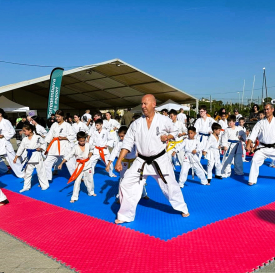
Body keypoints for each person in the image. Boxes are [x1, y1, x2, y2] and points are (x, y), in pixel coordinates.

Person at [114, 94, 190, 224]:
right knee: (126, 183)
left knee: (170, 186)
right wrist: (119, 160)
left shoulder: (163, 120)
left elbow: (176, 131)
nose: (143, 106)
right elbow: (127, 143)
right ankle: (125, 215)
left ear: (154, 104)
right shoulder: (136, 124)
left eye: (145, 103)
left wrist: (167, 137)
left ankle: (182, 207)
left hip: (160, 160)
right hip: (141, 161)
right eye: (142, 104)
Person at [246, 103, 275, 186]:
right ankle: (252, 179)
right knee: (254, 160)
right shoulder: (260, 123)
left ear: (272, 110)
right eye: (265, 109)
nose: (266, 111)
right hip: (262, 147)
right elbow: (253, 134)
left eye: (268, 109)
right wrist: (248, 144)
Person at [106, 126, 148, 201]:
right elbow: (113, 153)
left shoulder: (135, 142)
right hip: (124, 162)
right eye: (119, 136)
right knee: (122, 179)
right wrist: (109, 165)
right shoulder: (119, 143)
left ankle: (143, 193)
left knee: (139, 179)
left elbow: (142, 150)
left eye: (122, 136)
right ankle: (120, 196)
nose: (121, 138)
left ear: (127, 134)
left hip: (134, 162)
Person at [0, 108, 24, 179]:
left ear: (0, 114)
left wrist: (4, 135)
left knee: (12, 159)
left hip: (5, 143)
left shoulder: (6, 122)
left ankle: (21, 173)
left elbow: (12, 131)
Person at [58, 131, 96, 203]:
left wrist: (90, 154)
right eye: (81, 141)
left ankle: (91, 192)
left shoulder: (88, 145)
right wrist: (61, 163)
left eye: (83, 140)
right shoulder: (75, 147)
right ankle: (74, 197)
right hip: (79, 166)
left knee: (90, 179)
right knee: (77, 181)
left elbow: (92, 149)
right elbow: (69, 155)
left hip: (87, 164)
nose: (82, 142)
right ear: (78, 140)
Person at [13, 124, 48, 193]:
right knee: (27, 173)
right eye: (23, 131)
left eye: (25, 131)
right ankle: (26, 187)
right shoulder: (25, 139)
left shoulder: (37, 137)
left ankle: (44, 185)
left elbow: (44, 144)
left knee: (41, 172)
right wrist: (16, 156)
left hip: (36, 155)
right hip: (28, 157)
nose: (23, 132)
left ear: (30, 130)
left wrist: (41, 148)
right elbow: (21, 148)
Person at [44, 109, 75, 181]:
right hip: (54, 146)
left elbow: (73, 135)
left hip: (64, 146)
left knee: (70, 163)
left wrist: (64, 138)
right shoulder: (54, 125)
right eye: (56, 117)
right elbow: (49, 135)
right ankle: (47, 179)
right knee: (46, 163)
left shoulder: (67, 125)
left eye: (58, 117)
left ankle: (75, 176)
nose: (57, 118)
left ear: (63, 116)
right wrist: (45, 144)